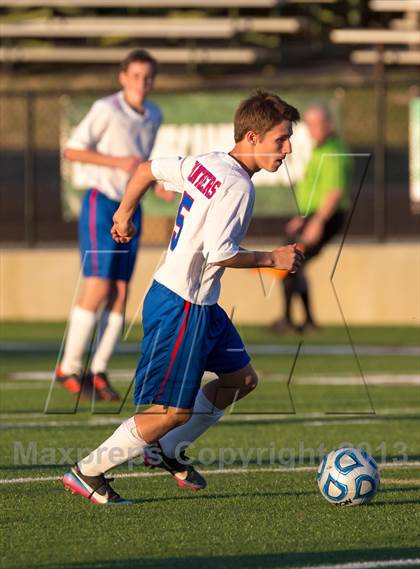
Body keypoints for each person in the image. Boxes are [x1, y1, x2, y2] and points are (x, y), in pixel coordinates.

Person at [63, 90, 303, 504]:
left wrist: (124, 213)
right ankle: (88, 470)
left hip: (201, 304)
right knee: (170, 412)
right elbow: (220, 253)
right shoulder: (238, 187)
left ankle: (166, 448)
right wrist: (274, 257)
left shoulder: (208, 162)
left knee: (240, 380)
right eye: (280, 139)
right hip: (181, 305)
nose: (288, 148)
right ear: (251, 136)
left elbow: (146, 169)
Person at [57, 49, 167, 401]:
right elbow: (72, 151)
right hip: (102, 202)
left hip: (131, 206)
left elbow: (142, 165)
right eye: (134, 75)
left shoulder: (154, 114)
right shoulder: (107, 109)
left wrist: (158, 184)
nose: (141, 82)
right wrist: (118, 161)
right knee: (99, 283)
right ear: (123, 77)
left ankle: (98, 370)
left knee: (120, 289)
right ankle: (69, 366)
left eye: (147, 76)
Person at [271, 104, 351, 334]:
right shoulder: (320, 149)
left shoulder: (333, 150)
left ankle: (291, 320)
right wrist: (302, 217)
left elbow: (334, 192)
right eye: (309, 124)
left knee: (289, 263)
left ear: (329, 124)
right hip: (313, 216)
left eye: (317, 123)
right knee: (295, 265)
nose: (312, 129)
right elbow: (317, 189)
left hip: (325, 217)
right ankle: (307, 321)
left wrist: (317, 222)